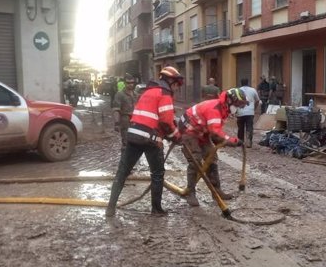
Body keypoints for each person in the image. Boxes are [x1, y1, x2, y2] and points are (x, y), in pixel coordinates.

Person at [105, 66, 184, 217]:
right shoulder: (165, 93)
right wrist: (177, 136)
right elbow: (166, 122)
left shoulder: (147, 92)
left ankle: (110, 208)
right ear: (171, 81)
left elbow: (151, 116)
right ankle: (156, 209)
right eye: (176, 85)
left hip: (133, 135)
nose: (176, 88)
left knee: (122, 173)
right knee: (157, 173)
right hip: (150, 139)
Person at [178, 88, 248, 206]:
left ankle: (216, 191)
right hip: (188, 131)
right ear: (230, 101)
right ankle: (190, 193)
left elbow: (215, 132)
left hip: (201, 132)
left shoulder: (223, 109)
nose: (238, 108)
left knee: (211, 157)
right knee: (195, 159)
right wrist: (232, 141)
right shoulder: (215, 109)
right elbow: (216, 133)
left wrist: (222, 141)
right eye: (238, 104)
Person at [112, 73, 137, 152]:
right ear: (125, 83)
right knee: (126, 142)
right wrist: (116, 123)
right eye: (128, 83)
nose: (130, 85)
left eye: (132, 82)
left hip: (135, 121)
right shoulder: (119, 95)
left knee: (136, 142)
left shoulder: (135, 94)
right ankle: (125, 160)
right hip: (125, 120)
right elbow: (116, 109)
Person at [236, 78, 260, 148]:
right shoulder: (253, 90)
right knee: (249, 127)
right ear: (248, 83)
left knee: (240, 127)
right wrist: (254, 109)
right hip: (250, 112)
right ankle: (249, 142)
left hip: (240, 112)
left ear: (241, 83)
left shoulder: (238, 90)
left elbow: (235, 101)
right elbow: (257, 101)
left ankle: (240, 141)